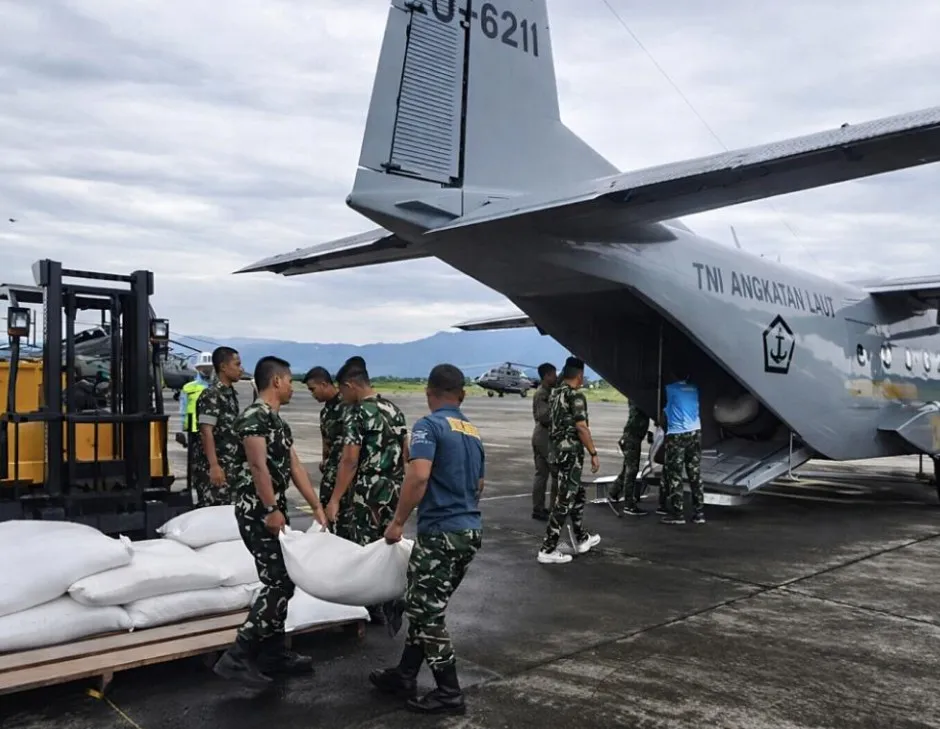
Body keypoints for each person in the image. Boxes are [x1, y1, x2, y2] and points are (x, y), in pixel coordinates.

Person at [370, 364, 483, 715]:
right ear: (460, 395)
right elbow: (478, 486)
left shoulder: (428, 426)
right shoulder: (473, 432)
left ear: (429, 392)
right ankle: (404, 675)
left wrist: (398, 522)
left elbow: (418, 477)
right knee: (424, 606)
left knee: (427, 613)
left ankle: (449, 692)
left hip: (441, 534)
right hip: (469, 530)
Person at [213, 356, 329, 688]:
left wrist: (316, 506)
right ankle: (238, 655)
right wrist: (271, 508)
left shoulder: (278, 423)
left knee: (280, 578)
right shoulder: (253, 418)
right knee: (279, 582)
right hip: (257, 512)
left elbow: (295, 467)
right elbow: (257, 466)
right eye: (291, 380)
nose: (293, 386)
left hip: (272, 509)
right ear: (276, 381)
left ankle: (274, 654)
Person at [325, 358, 408, 623]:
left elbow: (349, 460)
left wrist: (335, 499)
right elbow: (406, 453)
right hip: (394, 489)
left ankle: (370, 607)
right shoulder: (394, 409)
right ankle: (393, 599)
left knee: (366, 548)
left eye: (343, 390)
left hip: (368, 491)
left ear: (351, 385)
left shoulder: (358, 413)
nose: (342, 396)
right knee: (389, 546)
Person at [537, 357, 601, 564]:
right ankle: (547, 549)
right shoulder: (576, 396)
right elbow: (581, 427)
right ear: (580, 376)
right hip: (570, 454)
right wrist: (593, 452)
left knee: (577, 493)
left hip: (556, 453)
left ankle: (581, 538)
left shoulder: (555, 393)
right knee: (564, 501)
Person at [304, 366, 353, 538]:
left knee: (345, 523)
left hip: (345, 476)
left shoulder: (348, 407)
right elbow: (326, 440)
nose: (313, 394)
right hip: (330, 474)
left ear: (324, 384)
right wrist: (324, 460)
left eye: (313, 389)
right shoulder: (325, 412)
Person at [192, 346, 244, 506]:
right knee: (212, 514)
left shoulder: (230, 394)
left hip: (229, 467)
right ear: (223, 367)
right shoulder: (212, 395)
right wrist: (214, 466)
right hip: (215, 469)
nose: (241, 369)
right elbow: (206, 432)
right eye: (237, 364)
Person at [660, 369, 704, 525]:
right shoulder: (694, 389)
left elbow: (663, 415)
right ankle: (699, 512)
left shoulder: (670, 389)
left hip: (677, 434)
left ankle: (678, 513)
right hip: (695, 432)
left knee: (675, 475)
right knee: (695, 473)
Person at [179, 352, 215, 499]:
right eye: (204, 368)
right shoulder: (188, 388)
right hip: (195, 432)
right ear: (198, 368)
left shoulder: (216, 388)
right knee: (197, 467)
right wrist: (184, 430)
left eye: (209, 368)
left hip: (213, 432)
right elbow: (183, 408)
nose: (207, 371)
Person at [606, 404, 651, 517]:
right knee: (631, 471)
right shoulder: (640, 404)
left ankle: (614, 491)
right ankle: (628, 504)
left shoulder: (637, 403)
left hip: (630, 439)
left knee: (627, 468)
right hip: (632, 440)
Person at [530, 362, 558, 520]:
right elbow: (544, 416)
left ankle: (539, 508)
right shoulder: (543, 394)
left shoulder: (546, 391)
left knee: (541, 474)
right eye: (553, 375)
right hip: (545, 437)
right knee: (555, 473)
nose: (555, 377)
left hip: (540, 435)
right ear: (547, 376)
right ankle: (554, 509)